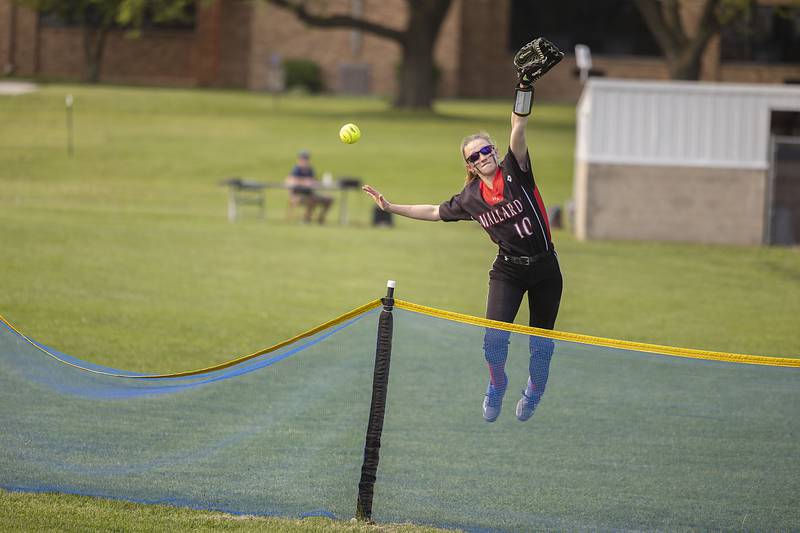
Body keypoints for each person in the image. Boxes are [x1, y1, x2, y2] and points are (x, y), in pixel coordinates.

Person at [362, 38, 564, 423]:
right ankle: (498, 383)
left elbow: (518, 128)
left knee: (541, 344)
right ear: (469, 166)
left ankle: (535, 390)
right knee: (493, 342)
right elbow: (435, 211)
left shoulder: (515, 170)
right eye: (474, 156)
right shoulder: (471, 198)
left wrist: (524, 87)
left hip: (545, 269)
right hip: (507, 269)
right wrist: (390, 207)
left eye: (486, 150)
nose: (483, 157)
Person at [285, 150, 333, 224]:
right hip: (298, 196)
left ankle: (320, 219)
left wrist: (318, 184)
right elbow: (289, 180)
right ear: (299, 159)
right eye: (303, 159)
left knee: (329, 199)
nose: (305, 161)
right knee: (312, 199)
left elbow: (314, 181)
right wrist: (304, 182)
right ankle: (306, 219)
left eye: (306, 159)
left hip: (310, 194)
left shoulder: (310, 170)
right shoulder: (296, 169)